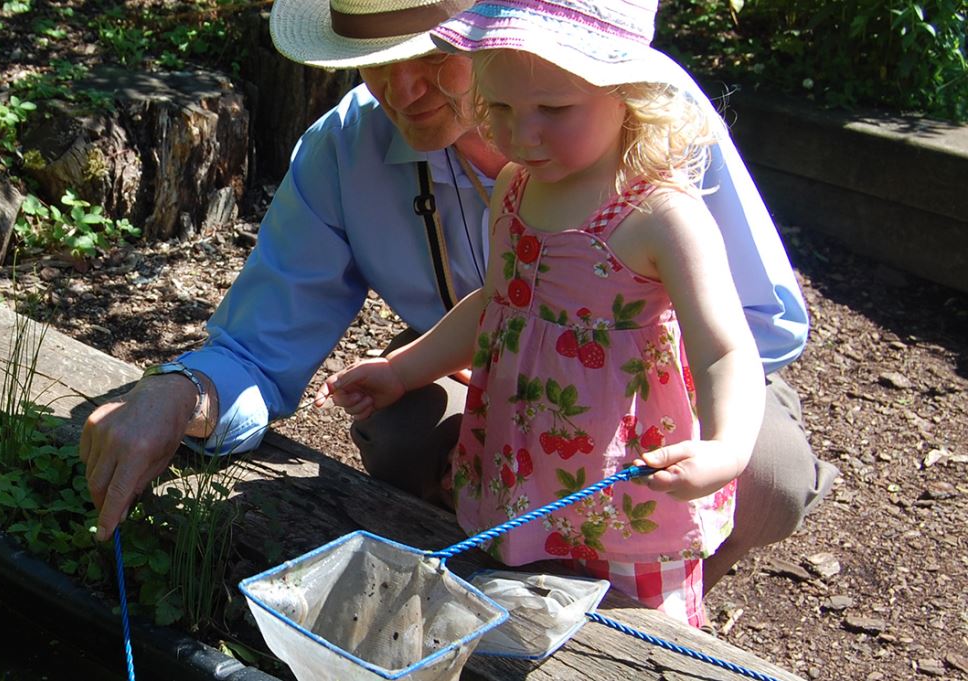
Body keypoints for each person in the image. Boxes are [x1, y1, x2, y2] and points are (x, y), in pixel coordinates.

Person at [79, 0, 836, 594]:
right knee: (400, 429)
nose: (403, 90)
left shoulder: (648, 128)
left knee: (764, 476)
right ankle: (507, 568)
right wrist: (178, 393)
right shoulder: (351, 152)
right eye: (375, 61)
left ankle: (647, 602)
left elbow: (760, 326)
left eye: (434, 56)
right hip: (496, 381)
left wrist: (606, 378)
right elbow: (257, 347)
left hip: (651, 381)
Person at [314, 0, 766, 626]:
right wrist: (403, 370)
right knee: (519, 602)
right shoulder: (517, 188)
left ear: (627, 92)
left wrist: (727, 445)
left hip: (624, 471)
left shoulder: (661, 217)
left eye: (554, 110)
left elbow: (725, 348)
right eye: (498, 109)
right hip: (523, 455)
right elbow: (499, 305)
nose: (522, 136)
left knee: (637, 627)